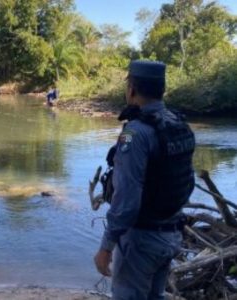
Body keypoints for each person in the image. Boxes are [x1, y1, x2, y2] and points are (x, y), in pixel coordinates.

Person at [94, 60, 195, 299]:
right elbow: (186, 181)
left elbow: (127, 199)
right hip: (171, 234)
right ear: (163, 89)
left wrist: (106, 246)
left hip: (141, 240)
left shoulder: (135, 134)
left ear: (131, 89)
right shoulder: (179, 124)